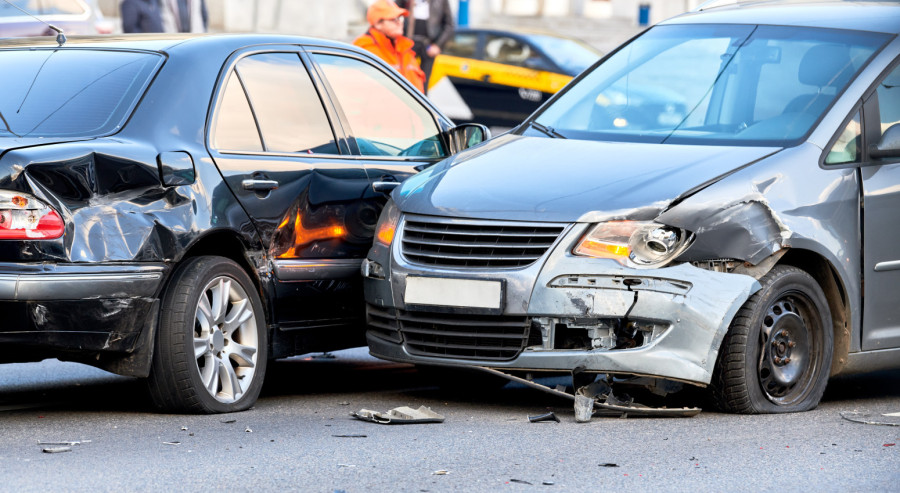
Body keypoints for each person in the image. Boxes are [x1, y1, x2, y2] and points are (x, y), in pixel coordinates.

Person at [354, 0, 425, 93]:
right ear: (378, 24)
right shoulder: (365, 51)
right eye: (393, 19)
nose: (399, 22)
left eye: (400, 18)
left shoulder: (405, 49)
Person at [396, 0, 455, 92]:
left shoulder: (441, 2)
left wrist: (438, 45)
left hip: (429, 45)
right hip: (407, 44)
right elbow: (394, 13)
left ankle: (420, 104)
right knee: (403, 80)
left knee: (423, 84)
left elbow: (449, 25)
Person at [120, 0, 207, 33]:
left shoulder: (152, 2)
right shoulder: (130, 3)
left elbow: (204, 15)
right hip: (165, 42)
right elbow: (130, 29)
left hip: (195, 37)